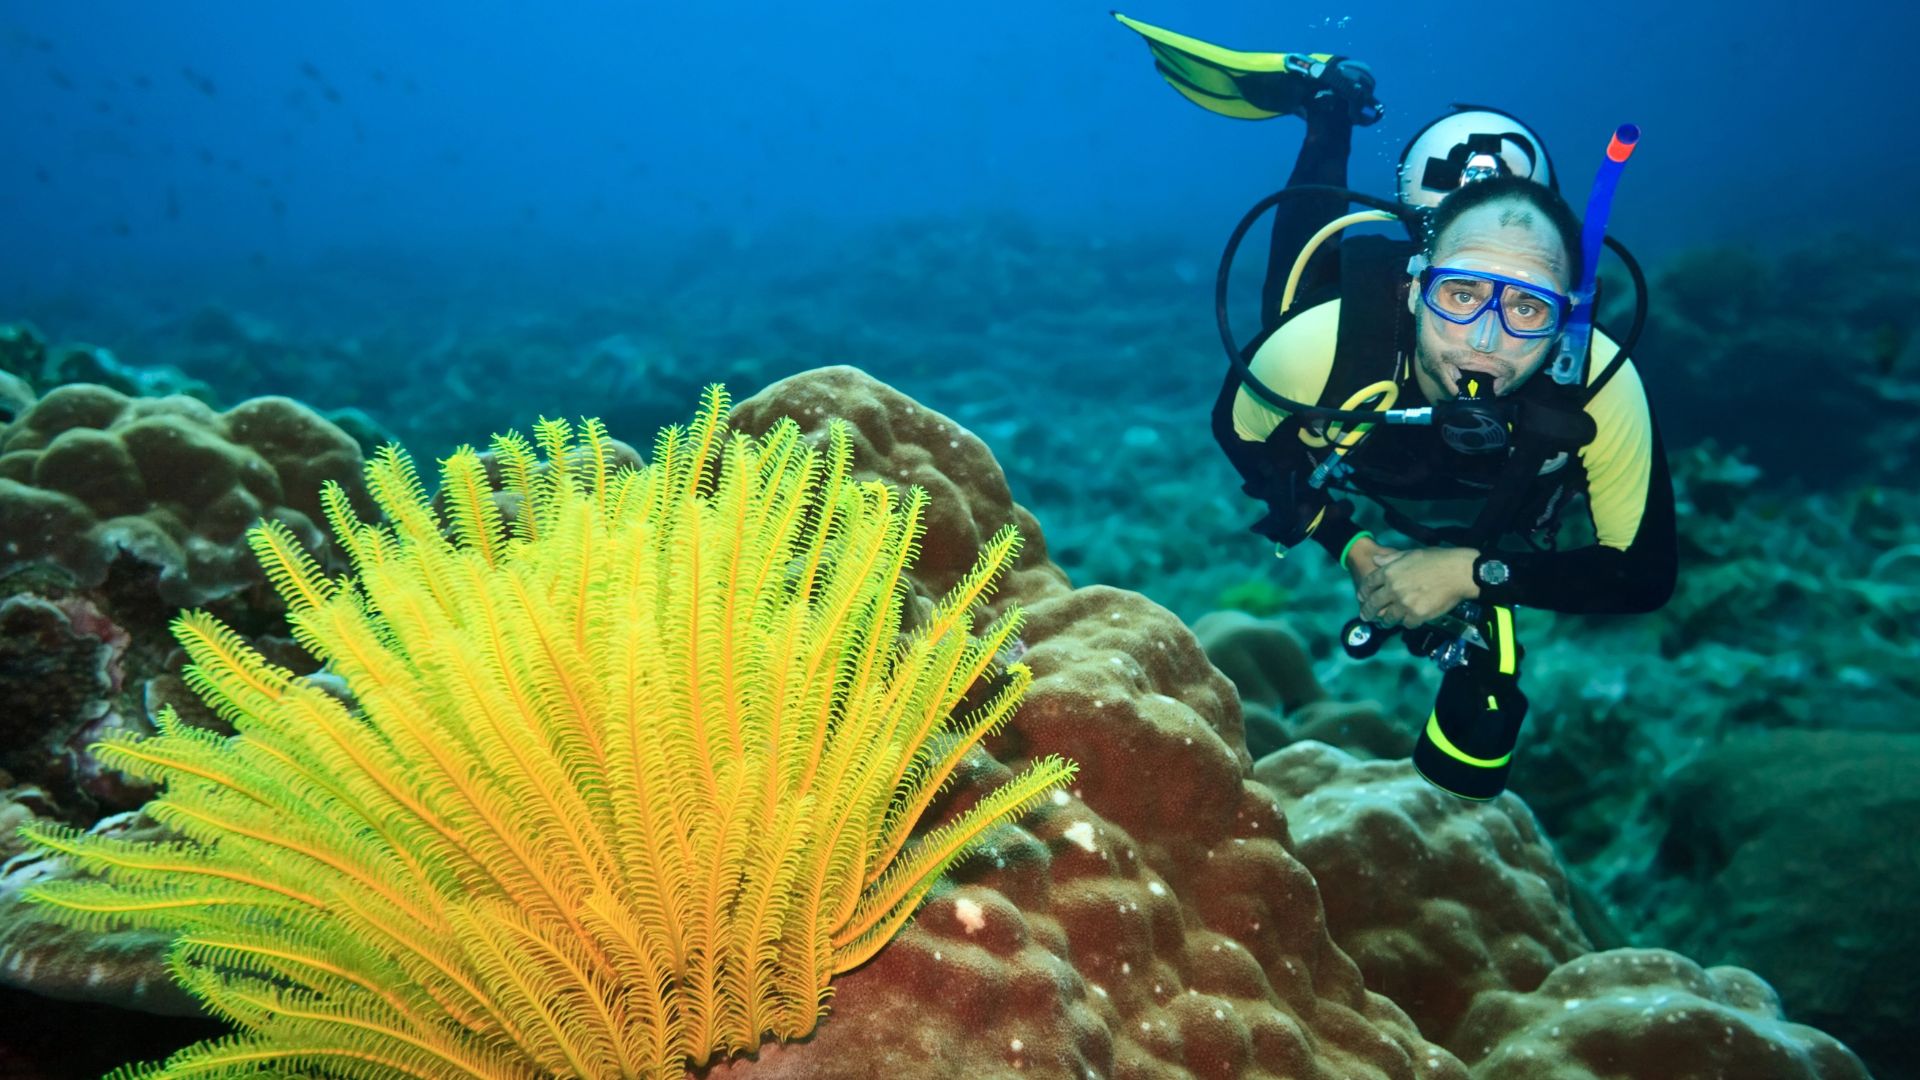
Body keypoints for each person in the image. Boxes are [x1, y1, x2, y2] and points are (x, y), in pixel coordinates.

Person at [1115, 13, 1677, 799]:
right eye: (1459, 293)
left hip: (1475, 530)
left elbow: (1644, 576)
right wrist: (1350, 544)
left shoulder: (1598, 383)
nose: (1485, 340)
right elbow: (1241, 436)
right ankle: (1327, 108)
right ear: (1415, 287)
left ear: (1568, 315)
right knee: (1296, 294)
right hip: (1355, 381)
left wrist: (1472, 572)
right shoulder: (1326, 345)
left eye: (1528, 309)